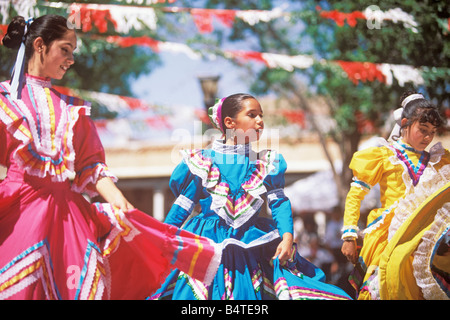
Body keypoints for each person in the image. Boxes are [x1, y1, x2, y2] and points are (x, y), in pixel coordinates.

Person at [0, 15, 221, 300]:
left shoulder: (72, 110)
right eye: (65, 49)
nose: (71, 59)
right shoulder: (6, 101)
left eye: (73, 52)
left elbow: (92, 166)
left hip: (68, 217)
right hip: (21, 208)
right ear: (40, 45)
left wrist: (122, 205)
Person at [149, 93, 351, 300]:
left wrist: (287, 236)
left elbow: (279, 202)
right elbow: (183, 205)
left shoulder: (265, 163)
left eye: (261, 115)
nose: (260, 121)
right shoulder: (202, 161)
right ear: (230, 122)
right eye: (252, 115)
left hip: (251, 244)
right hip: (207, 244)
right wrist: (162, 237)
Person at [341, 90, 449, 299]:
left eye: (432, 131)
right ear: (406, 123)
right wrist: (349, 235)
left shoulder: (440, 159)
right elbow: (355, 195)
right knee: (385, 283)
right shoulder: (384, 155)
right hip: (389, 233)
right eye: (422, 129)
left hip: (427, 233)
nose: (428, 137)